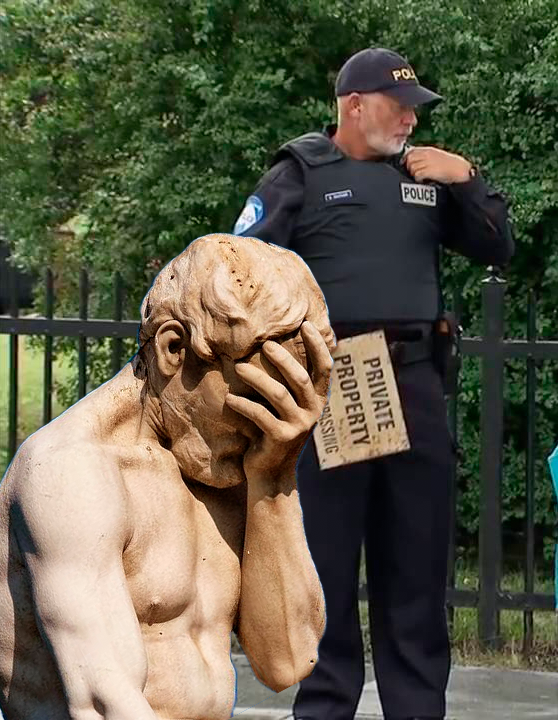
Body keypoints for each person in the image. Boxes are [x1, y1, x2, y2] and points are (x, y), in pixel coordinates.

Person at [232, 47, 514, 720]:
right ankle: (325, 707)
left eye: (416, 110)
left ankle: (417, 709)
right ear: (353, 106)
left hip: (413, 383)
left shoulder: (426, 178)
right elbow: (240, 270)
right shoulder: (300, 171)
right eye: (399, 107)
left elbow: (497, 246)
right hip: (334, 381)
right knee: (327, 567)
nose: (411, 122)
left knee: (416, 566)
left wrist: (467, 178)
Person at [0, 233, 334, 719]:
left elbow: (287, 661)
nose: (265, 427)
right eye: (250, 403)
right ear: (173, 349)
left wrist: (274, 476)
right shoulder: (69, 473)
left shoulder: (225, 459)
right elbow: (102, 704)